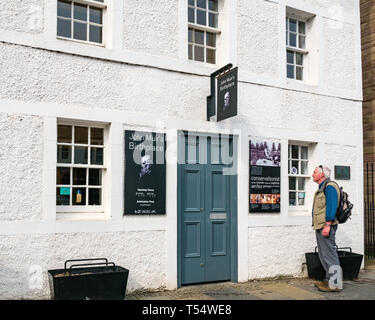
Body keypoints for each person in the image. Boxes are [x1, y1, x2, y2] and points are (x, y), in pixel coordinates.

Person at [311, 165, 343, 292]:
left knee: (329, 255)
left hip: (326, 225)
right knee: (324, 254)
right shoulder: (323, 186)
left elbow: (331, 207)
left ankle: (335, 284)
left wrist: (327, 225)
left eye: (314, 172)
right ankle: (330, 280)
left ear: (321, 175)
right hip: (321, 225)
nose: (312, 174)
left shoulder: (329, 187)